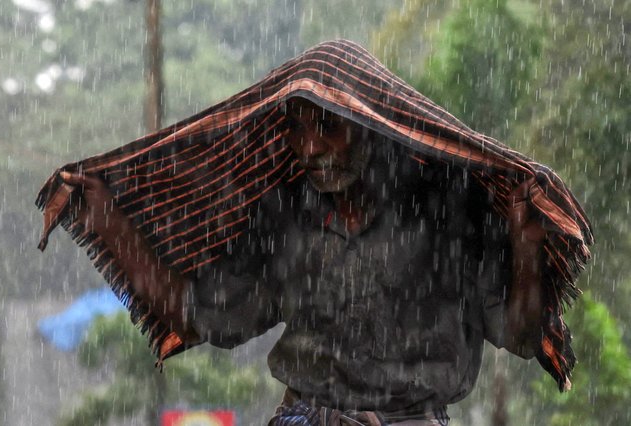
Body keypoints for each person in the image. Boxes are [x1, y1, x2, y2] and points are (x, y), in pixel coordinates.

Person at [37, 40, 592, 426]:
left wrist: (525, 246)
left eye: (329, 125)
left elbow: (519, 335)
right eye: (297, 128)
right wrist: (104, 215)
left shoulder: (445, 209)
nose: (311, 148)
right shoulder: (285, 216)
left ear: (373, 126)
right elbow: (194, 315)